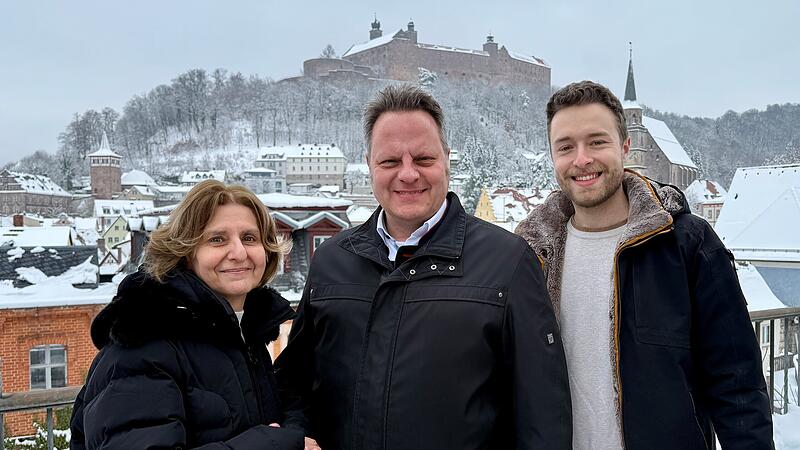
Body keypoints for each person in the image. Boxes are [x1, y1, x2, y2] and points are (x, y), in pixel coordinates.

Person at [275, 84, 571, 450]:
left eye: (424, 159)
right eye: (390, 162)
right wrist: (296, 435)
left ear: (447, 159)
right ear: (369, 164)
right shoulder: (333, 260)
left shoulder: (508, 261)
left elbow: (542, 413)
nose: (408, 174)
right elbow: (294, 385)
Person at [515, 80, 773, 449]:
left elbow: (738, 386)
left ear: (625, 146)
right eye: (566, 147)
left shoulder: (688, 244)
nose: (582, 159)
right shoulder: (530, 255)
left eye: (597, 142)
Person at [70, 180, 304, 449]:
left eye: (249, 238)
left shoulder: (242, 334)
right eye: (217, 239)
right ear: (184, 252)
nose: (239, 253)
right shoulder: (143, 345)